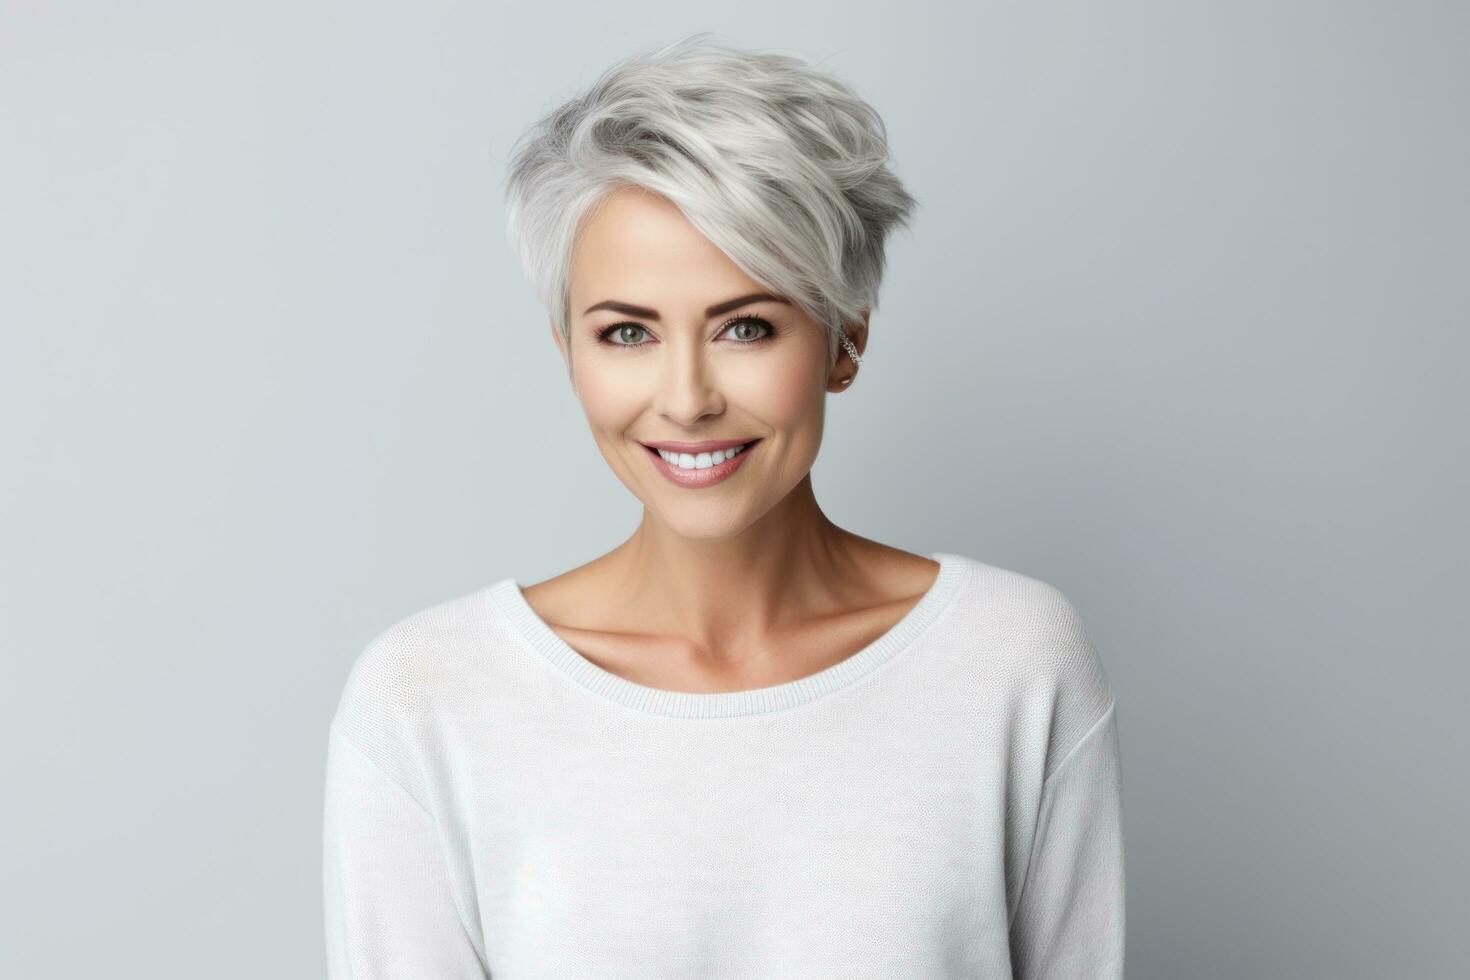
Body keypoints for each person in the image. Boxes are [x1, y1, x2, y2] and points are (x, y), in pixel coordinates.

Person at [322, 32, 1124, 979]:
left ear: (844, 340)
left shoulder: (1010, 661)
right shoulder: (430, 698)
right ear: (567, 351)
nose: (687, 397)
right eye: (627, 332)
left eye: (746, 326)